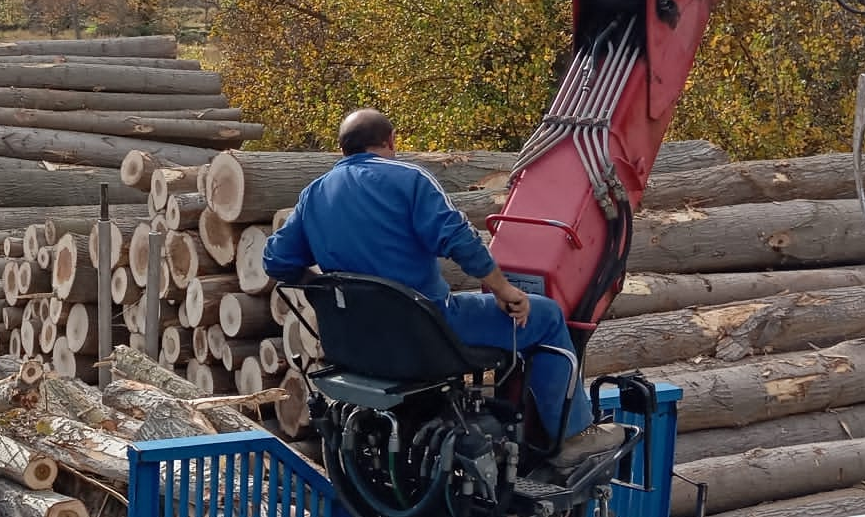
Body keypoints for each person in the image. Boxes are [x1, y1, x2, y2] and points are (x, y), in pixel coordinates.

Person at [261, 107, 620, 466]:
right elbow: (460, 240)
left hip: (356, 346)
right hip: (425, 335)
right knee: (547, 316)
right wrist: (503, 290)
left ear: (343, 150)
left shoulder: (314, 194)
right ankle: (571, 435)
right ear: (391, 142)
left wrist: (322, 283)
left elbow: (277, 261)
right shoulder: (410, 179)